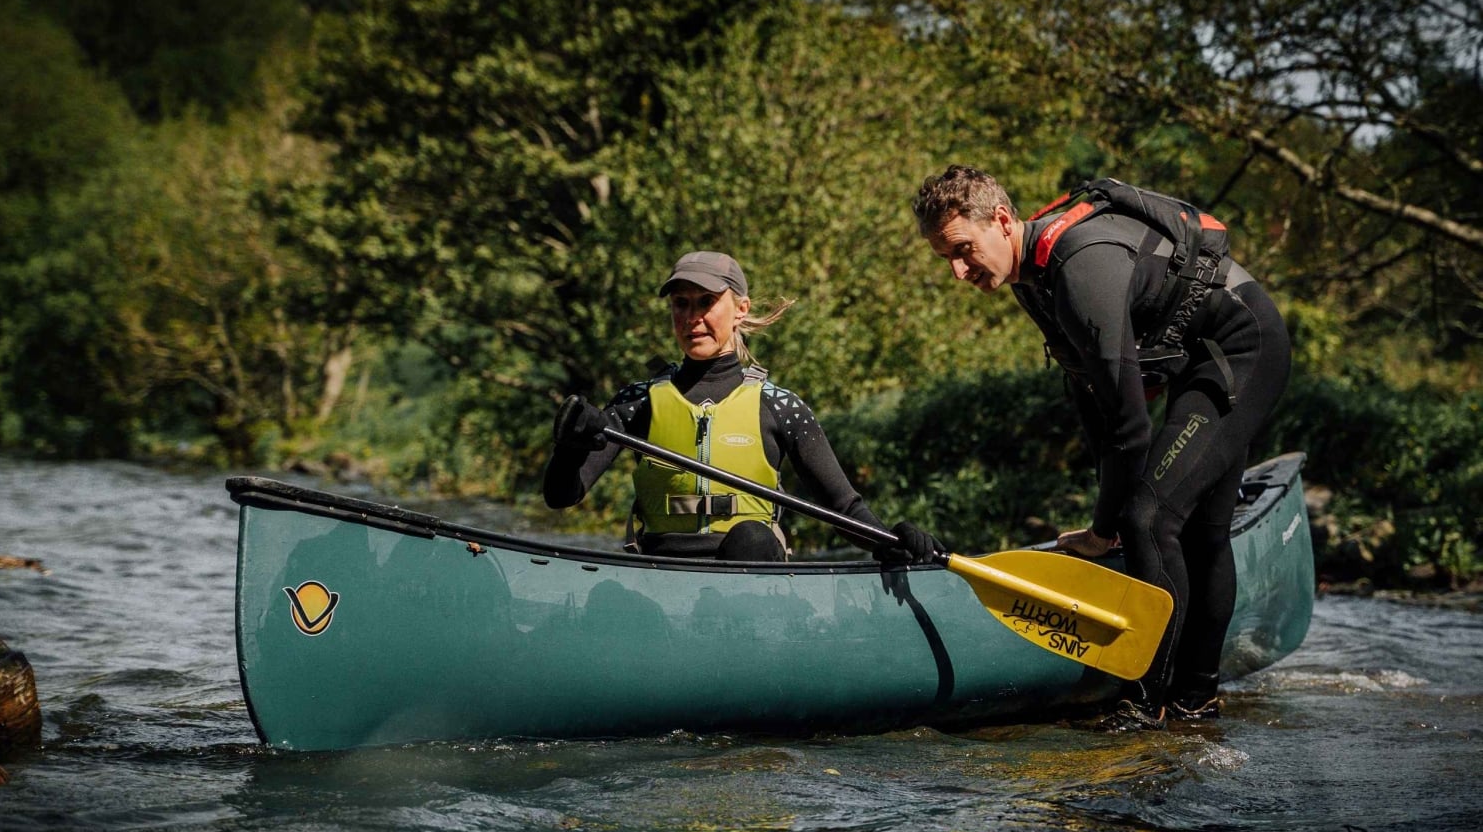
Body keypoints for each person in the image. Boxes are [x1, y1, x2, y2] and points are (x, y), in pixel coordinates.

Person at [909, 166, 1292, 731]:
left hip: (1241, 351)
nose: (958, 271)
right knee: (1197, 530)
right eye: (946, 258)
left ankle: (1147, 701)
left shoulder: (1078, 267)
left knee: (1150, 518)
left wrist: (1107, 526)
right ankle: (1195, 703)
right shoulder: (1032, 277)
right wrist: (1104, 523)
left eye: (963, 250)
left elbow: (1129, 426)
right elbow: (1093, 399)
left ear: (1002, 220)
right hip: (1202, 360)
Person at [544, 250, 935, 563]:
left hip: (751, 576)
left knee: (750, 537)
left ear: (741, 309)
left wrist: (891, 539)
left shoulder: (781, 407)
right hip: (661, 572)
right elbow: (561, 496)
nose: (692, 318)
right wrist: (570, 446)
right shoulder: (637, 403)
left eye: (706, 302)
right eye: (681, 304)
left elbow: (844, 505)